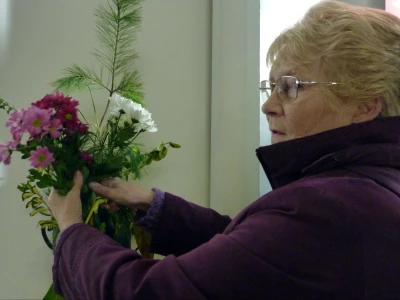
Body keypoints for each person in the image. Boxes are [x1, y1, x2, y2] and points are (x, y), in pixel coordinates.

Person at [49, 1, 400, 299]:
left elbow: (147, 292)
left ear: (364, 105)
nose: (269, 106)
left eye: (291, 87)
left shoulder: (327, 208)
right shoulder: (369, 189)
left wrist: (71, 232)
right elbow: (255, 253)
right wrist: (154, 206)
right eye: (272, 86)